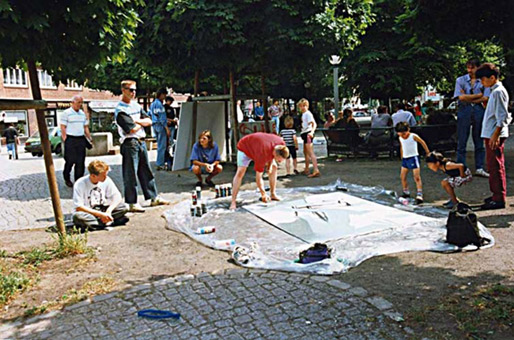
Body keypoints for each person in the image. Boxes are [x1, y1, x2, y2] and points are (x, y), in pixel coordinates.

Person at [115, 80, 170, 213]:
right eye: (130, 90)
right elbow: (131, 129)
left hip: (141, 141)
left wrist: (136, 120)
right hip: (129, 143)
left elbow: (150, 120)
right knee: (130, 174)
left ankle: (153, 197)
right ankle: (131, 202)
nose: (133, 92)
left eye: (134, 90)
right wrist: (140, 122)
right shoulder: (120, 109)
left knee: (146, 171)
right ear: (123, 90)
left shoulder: (136, 106)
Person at [475, 63, 511, 210]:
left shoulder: (498, 92)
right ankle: (496, 195)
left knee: (495, 166)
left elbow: (502, 116)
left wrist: (495, 135)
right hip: (491, 133)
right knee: (493, 165)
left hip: (494, 134)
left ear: (492, 77)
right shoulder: (495, 91)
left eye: (483, 80)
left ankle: (499, 198)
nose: (482, 83)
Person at [229, 132, 289, 210]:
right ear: (276, 154)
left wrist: (270, 165)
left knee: (274, 167)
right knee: (240, 172)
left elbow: (271, 155)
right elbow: (258, 177)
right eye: (279, 160)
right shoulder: (262, 154)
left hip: (258, 146)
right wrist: (263, 194)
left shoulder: (281, 144)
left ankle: (273, 194)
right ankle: (233, 201)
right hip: (245, 148)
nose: (280, 162)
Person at [454, 59, 490, 178]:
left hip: (478, 110)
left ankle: (479, 167)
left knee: (479, 139)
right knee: (462, 140)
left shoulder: (484, 80)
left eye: (472, 68)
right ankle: (461, 168)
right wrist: (478, 95)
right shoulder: (460, 80)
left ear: (478, 68)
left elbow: (486, 98)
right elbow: (460, 97)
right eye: (468, 68)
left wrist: (468, 97)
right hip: (464, 109)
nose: (470, 70)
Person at [72, 160, 129, 230]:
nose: (105, 177)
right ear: (93, 176)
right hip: (89, 211)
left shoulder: (107, 180)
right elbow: (79, 207)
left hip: (103, 208)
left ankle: (99, 223)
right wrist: (100, 215)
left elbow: (117, 197)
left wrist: (109, 211)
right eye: (103, 176)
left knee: (124, 207)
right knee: (78, 216)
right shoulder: (80, 183)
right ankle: (106, 222)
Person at [60, 95, 92, 188]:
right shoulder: (66, 113)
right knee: (70, 161)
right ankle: (67, 177)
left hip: (80, 139)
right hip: (71, 138)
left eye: (81, 102)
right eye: (78, 102)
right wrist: (65, 138)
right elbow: (63, 127)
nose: (80, 104)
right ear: (72, 102)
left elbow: (85, 127)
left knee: (80, 162)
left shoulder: (82, 114)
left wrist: (89, 138)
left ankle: (79, 181)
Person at [395, 122, 430, 204]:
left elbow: (422, 142)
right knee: (402, 176)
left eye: (404, 133)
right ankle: (406, 191)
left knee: (416, 177)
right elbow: (402, 146)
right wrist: (402, 155)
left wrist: (427, 152)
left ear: (408, 130)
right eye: (400, 134)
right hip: (405, 158)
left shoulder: (413, 136)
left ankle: (419, 194)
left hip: (413, 157)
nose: (403, 136)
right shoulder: (400, 138)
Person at [299, 98, 321, 178]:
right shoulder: (304, 114)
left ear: (307, 106)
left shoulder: (308, 114)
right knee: (306, 152)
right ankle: (307, 168)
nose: (302, 107)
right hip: (304, 133)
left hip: (308, 134)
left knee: (310, 152)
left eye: (304, 106)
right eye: (301, 106)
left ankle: (316, 169)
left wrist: (311, 132)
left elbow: (314, 124)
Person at [150, 88, 169, 171]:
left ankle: (159, 162)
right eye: (164, 95)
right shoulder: (160, 105)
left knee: (159, 144)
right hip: (161, 126)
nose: (165, 97)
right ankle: (160, 163)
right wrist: (167, 128)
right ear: (161, 94)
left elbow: (149, 114)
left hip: (154, 125)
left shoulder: (152, 104)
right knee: (162, 145)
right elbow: (162, 118)